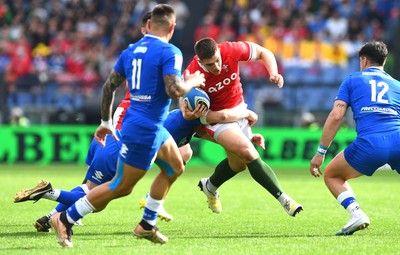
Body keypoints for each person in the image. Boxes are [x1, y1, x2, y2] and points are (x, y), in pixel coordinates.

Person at [49, 4, 205, 247]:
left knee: (175, 167)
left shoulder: (130, 51)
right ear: (172, 27)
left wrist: (104, 122)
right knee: (120, 186)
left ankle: (146, 224)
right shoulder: (171, 51)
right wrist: (192, 81)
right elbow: (174, 89)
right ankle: (65, 218)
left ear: (149, 25)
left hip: (150, 125)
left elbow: (108, 87)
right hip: (144, 129)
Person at [184, 37, 303, 216]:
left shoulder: (231, 50)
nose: (216, 67)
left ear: (218, 50)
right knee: (248, 152)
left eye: (217, 60)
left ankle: (210, 185)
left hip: (238, 108)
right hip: (215, 119)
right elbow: (187, 106)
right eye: (209, 65)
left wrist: (273, 73)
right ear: (200, 62)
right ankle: (284, 198)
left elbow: (264, 52)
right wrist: (188, 109)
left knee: (238, 164)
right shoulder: (192, 75)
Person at [309, 41, 400, 236]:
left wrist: (321, 152)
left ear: (364, 60)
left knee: (332, 174)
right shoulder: (397, 85)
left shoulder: (352, 80)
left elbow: (336, 116)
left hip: (370, 143)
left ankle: (356, 213)